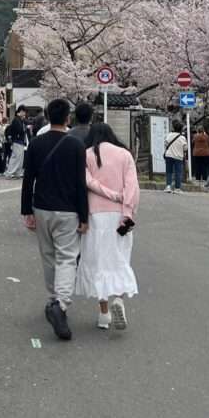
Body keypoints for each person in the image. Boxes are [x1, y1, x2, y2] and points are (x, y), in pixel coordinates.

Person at [21, 99, 88, 341]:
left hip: (42, 207)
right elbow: (81, 183)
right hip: (68, 209)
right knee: (67, 257)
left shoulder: (36, 144)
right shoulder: (77, 146)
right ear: (68, 118)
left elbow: (28, 179)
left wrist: (26, 210)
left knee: (48, 255)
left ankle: (54, 299)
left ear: (48, 117)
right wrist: (84, 214)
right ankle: (60, 303)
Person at [76, 123, 139, 331]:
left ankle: (104, 314)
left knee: (98, 262)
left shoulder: (86, 155)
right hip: (120, 215)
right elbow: (132, 187)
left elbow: (87, 182)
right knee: (119, 258)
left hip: (95, 215)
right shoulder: (125, 155)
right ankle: (118, 299)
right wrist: (127, 211)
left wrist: (109, 194)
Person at [163, 120, 188, 193]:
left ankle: (168, 186)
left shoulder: (169, 135)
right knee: (178, 172)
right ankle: (177, 188)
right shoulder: (182, 138)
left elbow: (166, 143)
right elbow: (185, 148)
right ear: (181, 129)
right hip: (178, 156)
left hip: (169, 155)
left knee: (169, 171)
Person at [5, 107, 28, 179]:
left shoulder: (19, 120)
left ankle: (17, 173)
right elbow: (19, 130)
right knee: (16, 158)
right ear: (20, 111)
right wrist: (25, 128)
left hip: (19, 141)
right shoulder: (16, 120)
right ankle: (9, 173)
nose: (25, 114)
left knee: (19, 158)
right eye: (24, 112)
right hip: (17, 141)